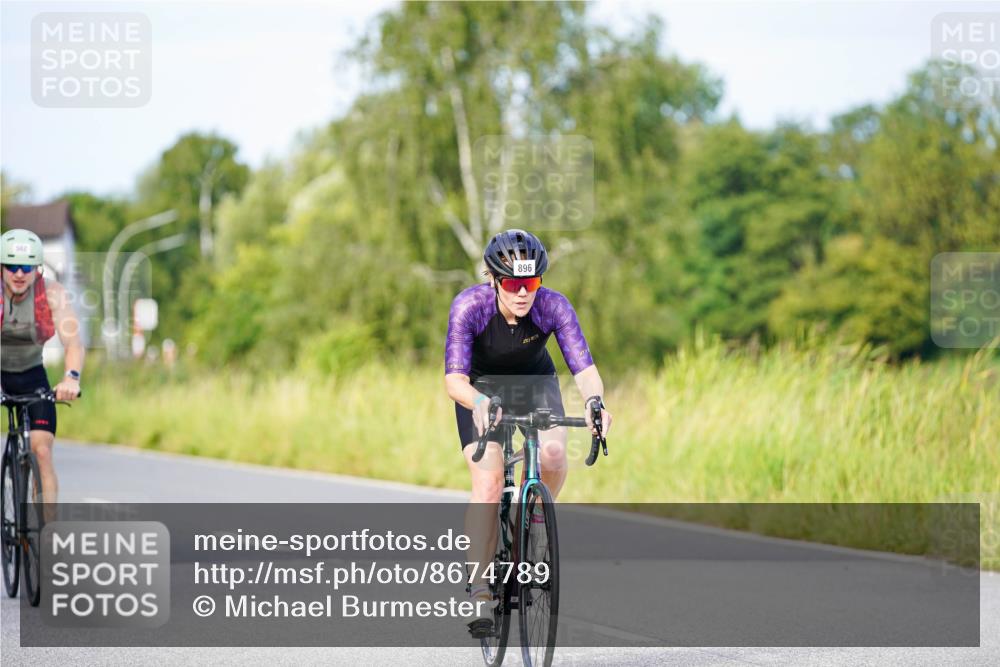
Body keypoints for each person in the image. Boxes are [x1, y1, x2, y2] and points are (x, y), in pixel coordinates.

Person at [444, 229, 612, 637]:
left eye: (532, 282)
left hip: (535, 383)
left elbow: (584, 369)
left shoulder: (553, 306)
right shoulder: (470, 306)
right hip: (480, 390)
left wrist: (595, 403)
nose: (524, 293)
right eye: (514, 284)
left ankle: (532, 517)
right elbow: (454, 380)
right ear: (494, 280)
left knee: (553, 455)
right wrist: (479, 403)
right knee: (487, 482)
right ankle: (482, 590)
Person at [1, 228, 84, 505]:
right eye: (11, 266)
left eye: (26, 266)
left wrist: (71, 378)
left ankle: (48, 536)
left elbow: (72, 342)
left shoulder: (52, 294)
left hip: (32, 375)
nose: (19, 273)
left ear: (37, 269)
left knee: (43, 452)